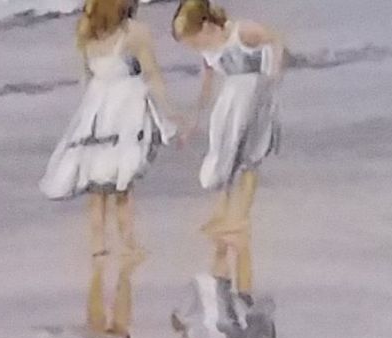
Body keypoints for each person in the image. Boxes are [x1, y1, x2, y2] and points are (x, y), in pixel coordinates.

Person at [41, 0, 182, 257]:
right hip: (127, 108)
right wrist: (170, 111)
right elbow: (151, 74)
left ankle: (98, 243)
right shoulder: (135, 32)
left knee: (97, 187)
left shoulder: (86, 31)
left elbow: (86, 77)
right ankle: (128, 242)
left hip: (96, 109)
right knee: (123, 184)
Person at [172, 0, 284, 237]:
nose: (194, 47)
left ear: (205, 26)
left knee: (250, 157)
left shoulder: (241, 32)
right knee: (225, 154)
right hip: (230, 103)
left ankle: (241, 216)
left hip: (256, 96)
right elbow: (206, 88)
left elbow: (275, 39)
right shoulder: (208, 51)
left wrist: (273, 75)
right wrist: (194, 120)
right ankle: (221, 212)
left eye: (193, 41)